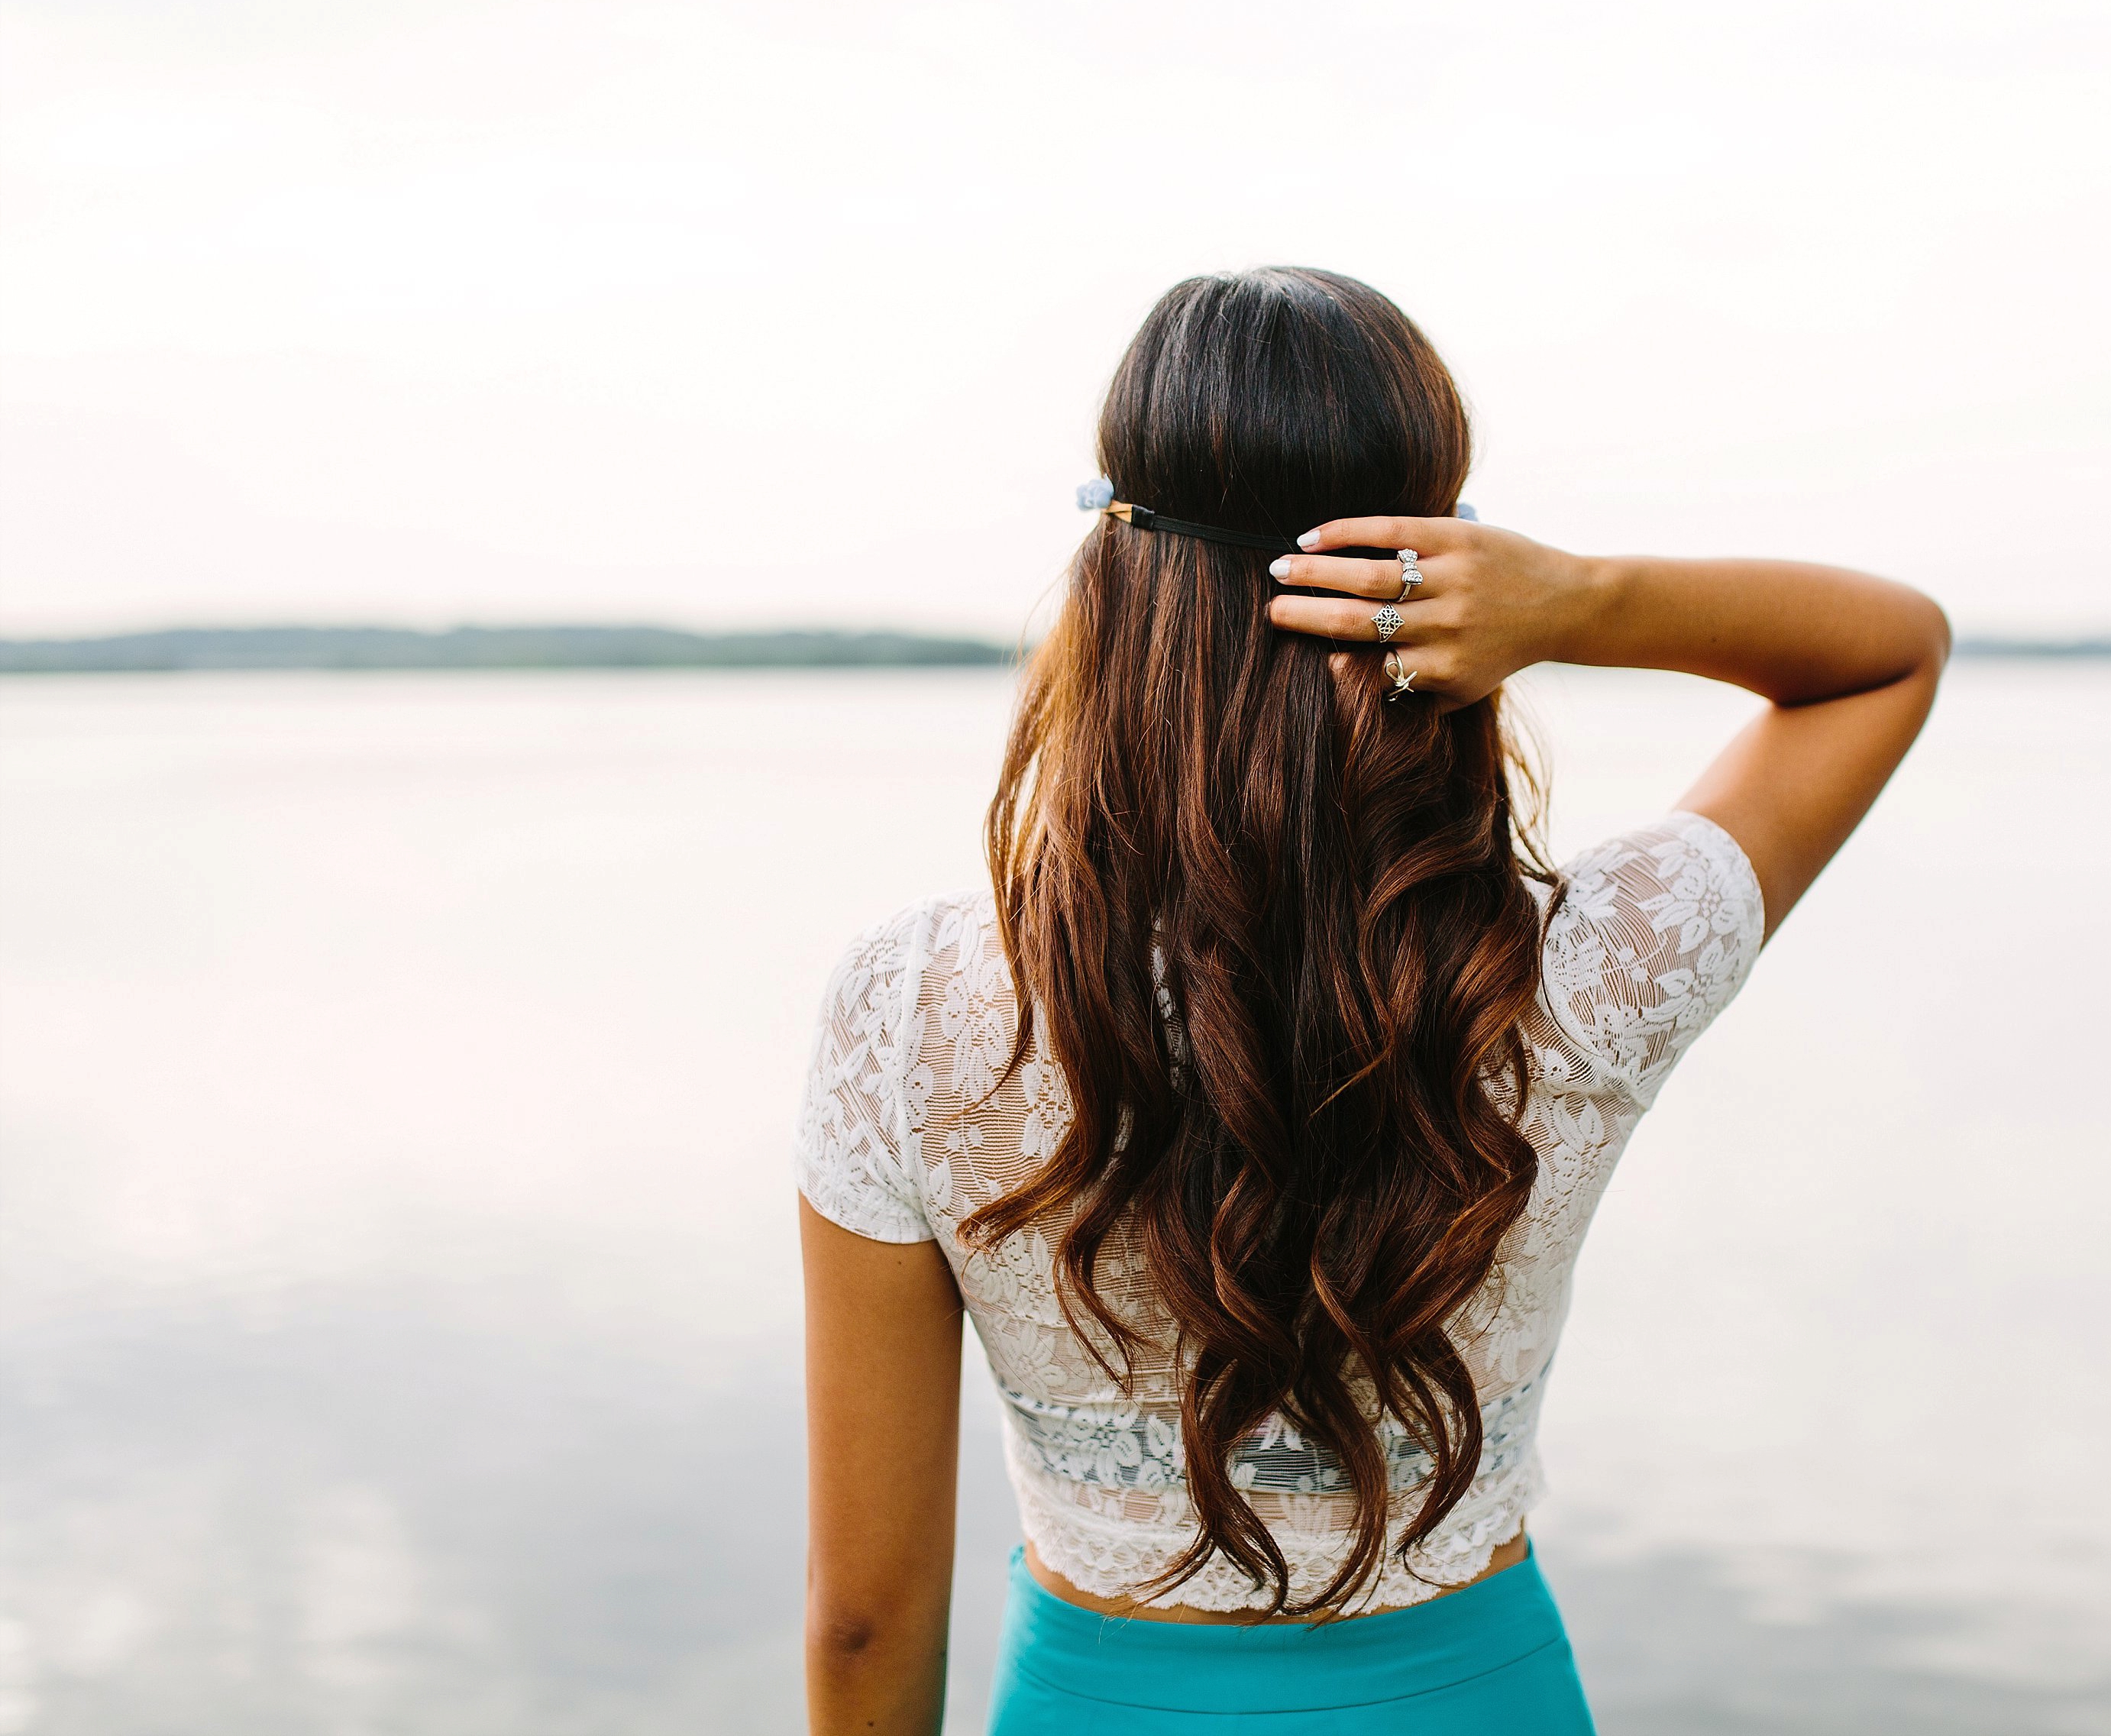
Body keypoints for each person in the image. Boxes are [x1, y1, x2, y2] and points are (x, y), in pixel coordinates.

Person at [796, 267, 1948, 1733]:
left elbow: (862, 1616)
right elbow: (1887, 654)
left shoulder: (915, 1008)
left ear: (1112, 574)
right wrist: (1582, 602)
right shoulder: (1587, 968)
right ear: (1453, 568)